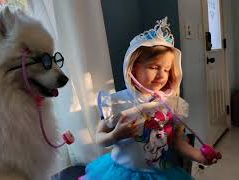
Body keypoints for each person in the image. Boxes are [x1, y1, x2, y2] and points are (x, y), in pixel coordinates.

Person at [82, 17, 221, 180]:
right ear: (132, 67)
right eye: (154, 67)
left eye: (167, 69)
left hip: (161, 174)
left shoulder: (174, 104)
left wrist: (199, 156)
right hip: (122, 173)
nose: (162, 75)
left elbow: (178, 143)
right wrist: (115, 136)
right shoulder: (117, 102)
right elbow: (99, 138)